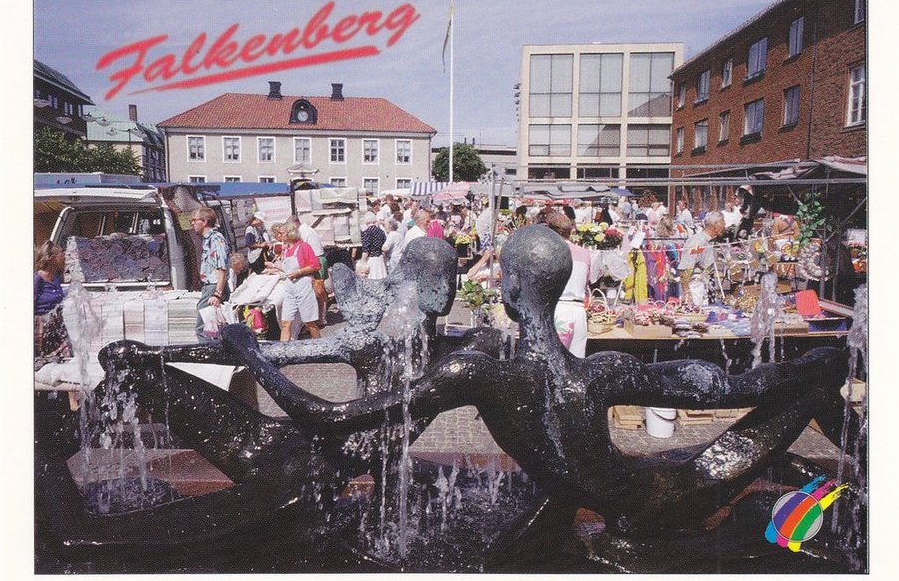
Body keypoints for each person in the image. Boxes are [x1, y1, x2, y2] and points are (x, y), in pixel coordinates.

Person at [220, 223, 861, 549]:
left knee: (809, 393)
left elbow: (330, 418)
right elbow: (721, 386)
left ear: (505, 289)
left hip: (650, 504)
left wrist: (255, 355)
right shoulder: (600, 370)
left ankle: (859, 476)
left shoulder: (481, 371)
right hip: (656, 489)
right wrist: (796, 369)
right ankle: (845, 431)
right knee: (809, 388)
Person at [546, 213, 591, 358]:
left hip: (558, 309)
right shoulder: (585, 254)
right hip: (578, 311)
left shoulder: (549, 254)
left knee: (554, 360)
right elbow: (586, 282)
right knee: (577, 360)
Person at [267, 222, 321, 340]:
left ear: (290, 233)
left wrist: (299, 272)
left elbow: (316, 266)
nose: (279, 236)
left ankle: (322, 346)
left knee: (309, 322)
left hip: (303, 285)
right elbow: (287, 269)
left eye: (281, 233)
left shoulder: (303, 247)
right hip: (290, 287)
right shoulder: (285, 250)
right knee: (285, 323)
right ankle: (283, 350)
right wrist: (275, 266)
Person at [191, 207, 230, 341]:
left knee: (204, 329)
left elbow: (222, 268)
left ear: (205, 222)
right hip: (210, 287)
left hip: (214, 287)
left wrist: (217, 294)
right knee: (214, 329)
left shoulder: (216, 239)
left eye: (194, 220)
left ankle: (208, 353)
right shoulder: (207, 239)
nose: (192, 223)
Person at [34, 240, 71, 368]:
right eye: (61, 253)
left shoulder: (55, 279)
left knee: (66, 357)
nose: (64, 256)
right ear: (51, 258)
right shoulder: (37, 279)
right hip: (41, 326)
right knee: (42, 362)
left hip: (57, 324)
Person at [677, 210, 725, 305]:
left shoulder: (709, 241)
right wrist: (687, 292)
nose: (724, 227)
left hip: (705, 286)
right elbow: (685, 268)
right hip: (694, 288)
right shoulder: (697, 241)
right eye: (723, 224)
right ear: (715, 225)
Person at [293, 216, 329, 326]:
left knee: (319, 290)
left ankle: (322, 318)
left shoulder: (303, 232)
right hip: (318, 259)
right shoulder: (306, 229)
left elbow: (302, 249)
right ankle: (320, 317)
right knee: (318, 290)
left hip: (317, 260)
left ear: (294, 224)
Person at [360, 212, 388, 280]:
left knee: (372, 278)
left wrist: (362, 263)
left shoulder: (366, 233)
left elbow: (366, 250)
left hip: (371, 259)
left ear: (366, 221)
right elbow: (384, 245)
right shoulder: (381, 231)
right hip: (380, 258)